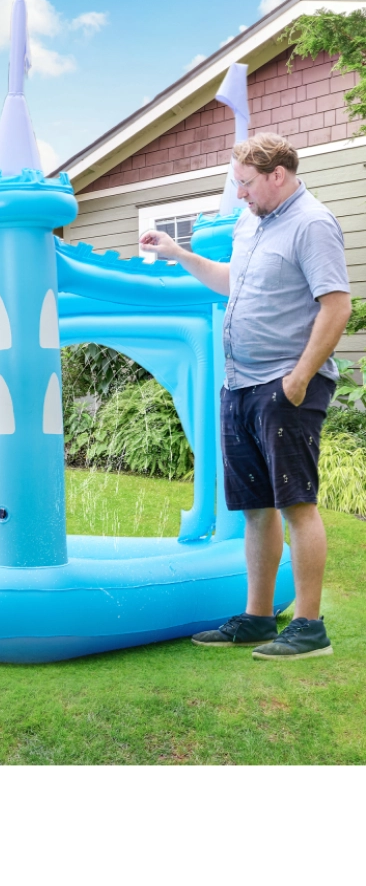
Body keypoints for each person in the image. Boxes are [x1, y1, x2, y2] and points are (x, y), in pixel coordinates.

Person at [139, 132, 351, 660]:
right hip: (240, 382)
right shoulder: (250, 223)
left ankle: (309, 626)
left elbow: (337, 307)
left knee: (296, 504)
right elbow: (232, 282)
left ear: (277, 175)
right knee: (257, 508)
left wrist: (299, 379)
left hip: (285, 384)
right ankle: (259, 618)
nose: (240, 193)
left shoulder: (313, 224)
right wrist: (177, 253)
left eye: (246, 183)